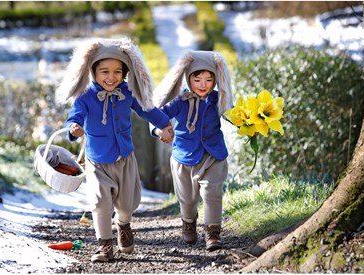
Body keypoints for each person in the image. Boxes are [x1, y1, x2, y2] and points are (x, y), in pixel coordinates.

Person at [56, 37, 173, 262]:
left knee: (127, 204)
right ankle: (104, 246)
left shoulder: (127, 92)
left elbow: (147, 110)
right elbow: (74, 116)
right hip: (97, 160)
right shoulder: (85, 96)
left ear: (125, 73)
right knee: (100, 202)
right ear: (92, 72)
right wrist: (74, 128)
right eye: (105, 72)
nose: (111, 77)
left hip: (125, 157)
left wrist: (165, 124)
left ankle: (123, 223)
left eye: (117, 72)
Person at [151, 50, 234, 251]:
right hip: (184, 156)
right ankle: (188, 222)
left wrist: (249, 125)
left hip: (213, 154)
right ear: (188, 79)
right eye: (197, 79)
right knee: (187, 198)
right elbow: (157, 114)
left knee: (212, 192)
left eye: (208, 79)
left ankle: (213, 232)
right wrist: (158, 129)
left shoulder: (218, 98)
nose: (203, 84)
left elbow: (233, 114)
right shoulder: (179, 100)